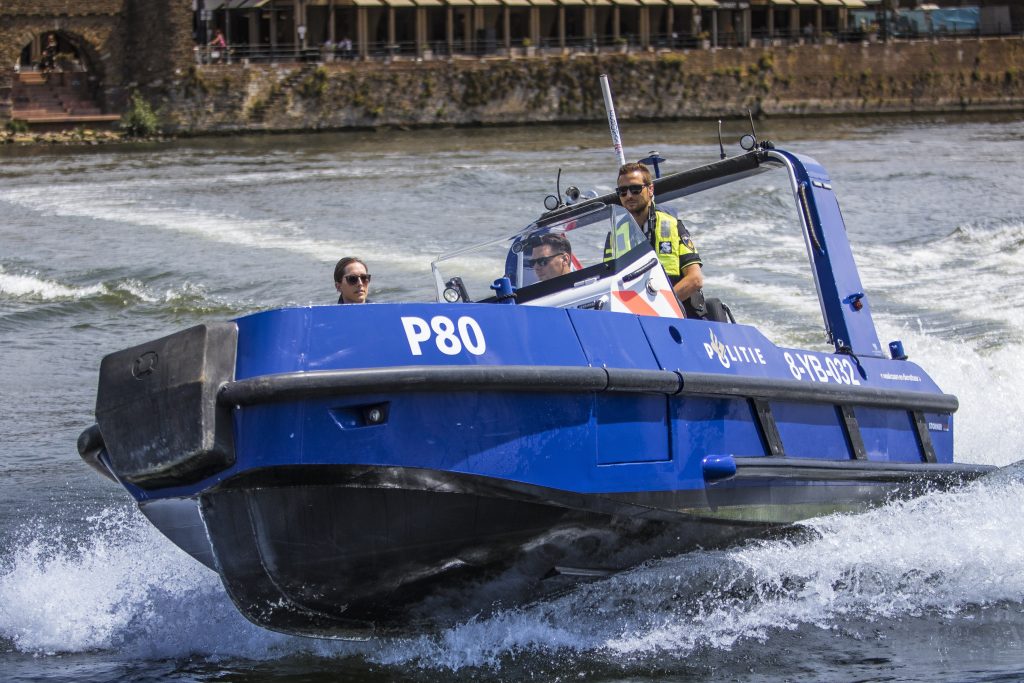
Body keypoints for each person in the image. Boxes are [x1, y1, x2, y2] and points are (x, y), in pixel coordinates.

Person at [607, 161, 705, 316]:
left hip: (681, 312)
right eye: (623, 191)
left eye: (635, 189)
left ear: (650, 189)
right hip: (635, 315)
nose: (629, 195)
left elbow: (695, 279)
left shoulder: (672, 225)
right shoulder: (614, 237)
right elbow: (608, 283)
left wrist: (660, 306)